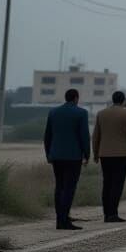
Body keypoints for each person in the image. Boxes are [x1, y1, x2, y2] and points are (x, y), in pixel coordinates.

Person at [43, 88, 90, 230]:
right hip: (73, 157)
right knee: (69, 188)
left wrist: (49, 154)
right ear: (76, 98)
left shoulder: (53, 112)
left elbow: (47, 136)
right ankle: (64, 220)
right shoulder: (81, 113)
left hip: (56, 156)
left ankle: (60, 218)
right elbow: (84, 136)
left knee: (59, 187)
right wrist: (87, 154)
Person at [92, 90, 126, 223]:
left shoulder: (101, 114)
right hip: (122, 154)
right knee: (117, 184)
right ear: (123, 101)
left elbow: (96, 136)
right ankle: (113, 213)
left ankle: (106, 213)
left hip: (105, 154)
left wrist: (95, 153)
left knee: (107, 183)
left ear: (113, 100)